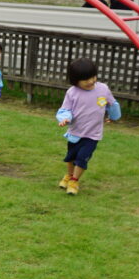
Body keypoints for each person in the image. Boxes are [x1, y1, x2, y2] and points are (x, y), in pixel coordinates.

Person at [55, 58, 121, 195]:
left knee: (82, 158)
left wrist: (113, 116)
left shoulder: (103, 89)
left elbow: (112, 104)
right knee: (71, 157)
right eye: (86, 80)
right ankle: (68, 175)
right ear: (75, 80)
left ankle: (74, 180)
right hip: (75, 133)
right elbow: (65, 110)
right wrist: (65, 119)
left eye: (93, 77)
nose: (91, 81)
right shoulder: (72, 93)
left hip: (92, 134)